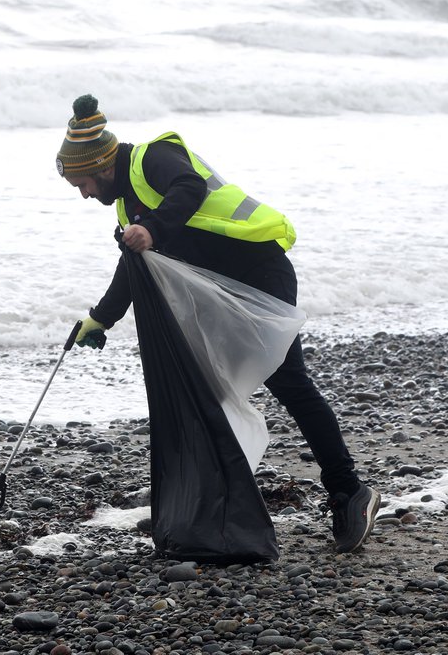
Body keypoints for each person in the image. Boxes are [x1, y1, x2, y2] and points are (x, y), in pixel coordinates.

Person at [55, 93, 379, 553]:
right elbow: (134, 266)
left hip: (259, 272)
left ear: (101, 165)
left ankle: (349, 491)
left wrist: (155, 229)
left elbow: (188, 187)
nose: (85, 195)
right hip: (220, 291)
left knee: (288, 382)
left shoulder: (154, 156)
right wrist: (99, 319)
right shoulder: (127, 205)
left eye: (82, 184)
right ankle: (211, 501)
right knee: (205, 388)